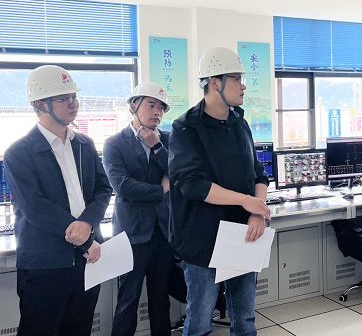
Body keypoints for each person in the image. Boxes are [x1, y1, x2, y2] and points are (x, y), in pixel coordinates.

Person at [168, 47, 271, 336]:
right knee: (201, 320)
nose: (243, 85)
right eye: (236, 78)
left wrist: (257, 212)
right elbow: (192, 183)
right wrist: (247, 201)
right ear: (215, 82)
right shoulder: (186, 128)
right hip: (203, 238)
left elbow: (259, 174)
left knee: (245, 319)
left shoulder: (240, 123)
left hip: (243, 234)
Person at [3, 65, 111, 336]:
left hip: (87, 259)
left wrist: (88, 222)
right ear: (41, 104)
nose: (73, 103)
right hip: (45, 264)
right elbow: (35, 207)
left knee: (79, 328)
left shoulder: (84, 145)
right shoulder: (19, 153)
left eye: (74, 96)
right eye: (64, 98)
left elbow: (102, 189)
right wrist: (85, 237)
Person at [103, 82, 175, 336]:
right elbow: (122, 186)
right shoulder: (114, 143)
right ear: (134, 106)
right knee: (128, 298)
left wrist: (157, 147)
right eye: (151, 105)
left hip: (163, 231)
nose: (157, 112)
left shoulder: (167, 140)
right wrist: (160, 190)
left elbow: (179, 174)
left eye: (161, 108)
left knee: (161, 296)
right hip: (131, 233)